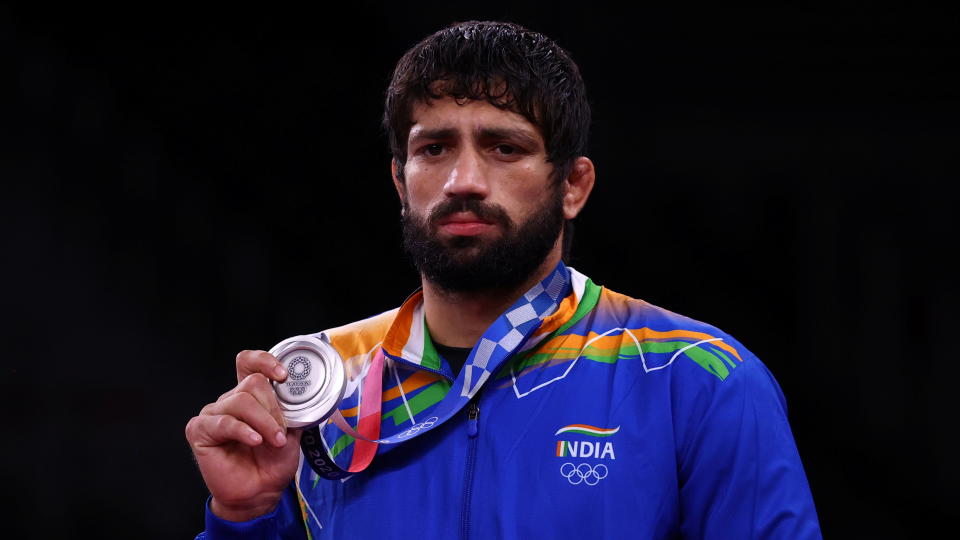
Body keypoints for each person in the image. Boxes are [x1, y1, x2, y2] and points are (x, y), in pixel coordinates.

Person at [186, 20, 822, 539]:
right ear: (399, 182)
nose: (464, 180)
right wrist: (242, 519)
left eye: (504, 148)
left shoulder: (696, 377)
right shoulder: (317, 389)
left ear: (572, 185)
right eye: (434, 149)